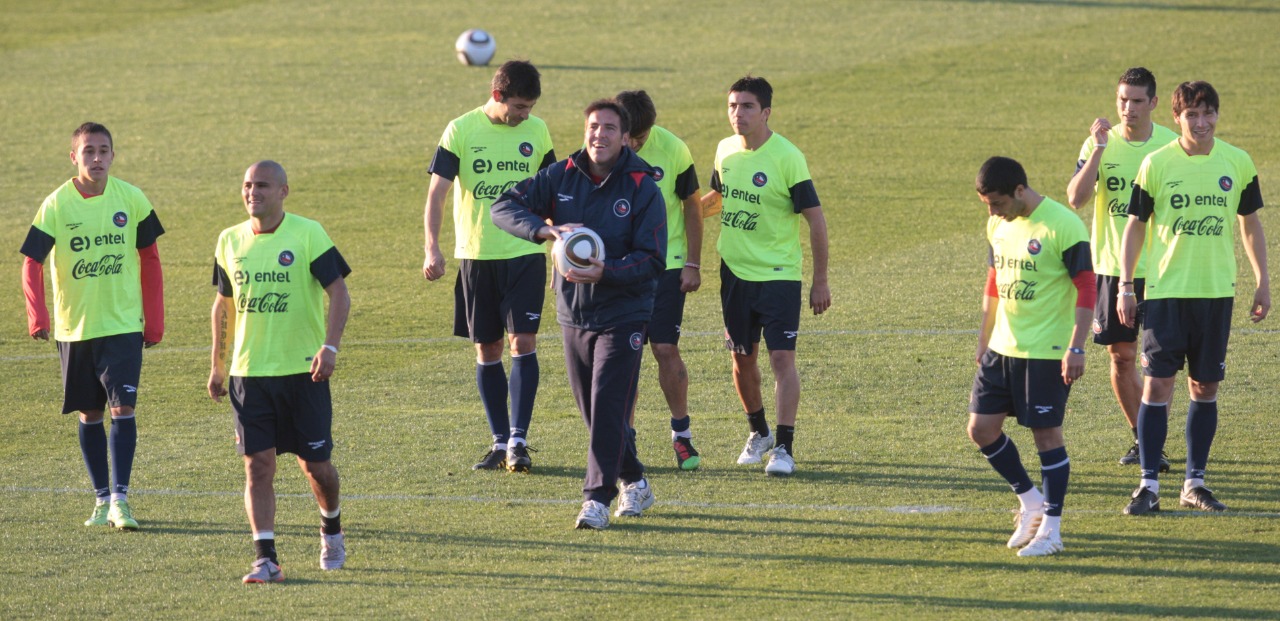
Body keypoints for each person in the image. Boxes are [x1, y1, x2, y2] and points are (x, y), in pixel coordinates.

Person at [491, 99, 665, 530]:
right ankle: (635, 480)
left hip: (624, 314)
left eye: (609, 128)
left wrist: (608, 272)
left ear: (625, 137)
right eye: (593, 127)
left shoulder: (643, 186)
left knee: (607, 406)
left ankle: (596, 500)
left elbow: (652, 259)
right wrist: (546, 229)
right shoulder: (562, 175)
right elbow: (502, 207)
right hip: (573, 314)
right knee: (593, 413)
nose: (598, 136)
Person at [1117, 80, 1269, 516]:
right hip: (1166, 293)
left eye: (1208, 114)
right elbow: (1136, 226)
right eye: (1192, 115)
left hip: (1217, 292)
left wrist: (1262, 280)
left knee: (1205, 387)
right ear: (1177, 118)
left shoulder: (1237, 162)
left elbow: (1250, 225)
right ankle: (1147, 485)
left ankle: (1194, 484)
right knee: (1159, 386)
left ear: (1217, 115)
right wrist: (1127, 286)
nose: (1201, 123)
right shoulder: (1156, 163)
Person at [208, 161, 352, 583]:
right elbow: (224, 304)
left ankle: (331, 528)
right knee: (257, 466)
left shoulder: (308, 234)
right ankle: (265, 557)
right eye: (248, 185)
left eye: (263, 186)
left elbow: (339, 293)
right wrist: (217, 364)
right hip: (249, 375)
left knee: (317, 467)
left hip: (304, 374)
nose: (253, 192)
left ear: (283, 191)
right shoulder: (229, 240)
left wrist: (329, 347)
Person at [20, 122, 165, 531]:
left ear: (113, 155)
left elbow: (150, 258)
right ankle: (101, 500)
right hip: (75, 328)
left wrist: (153, 319)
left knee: (123, 407)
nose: (97, 158)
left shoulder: (132, 199)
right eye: (88, 151)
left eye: (104, 150)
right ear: (74, 157)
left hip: (121, 325)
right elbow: (31, 261)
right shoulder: (56, 205)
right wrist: (39, 315)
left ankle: (121, 499)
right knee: (89, 413)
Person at [422, 60, 556, 473]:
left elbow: (552, 194)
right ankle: (499, 441)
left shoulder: (537, 131)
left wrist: (556, 248)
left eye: (530, 107)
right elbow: (437, 195)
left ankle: (519, 440)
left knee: (524, 343)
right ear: (497, 96)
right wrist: (432, 248)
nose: (525, 115)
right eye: (518, 106)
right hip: (477, 257)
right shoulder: (460, 130)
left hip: (525, 255)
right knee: (488, 348)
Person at [700, 76, 831, 476]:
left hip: (778, 275)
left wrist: (820, 280)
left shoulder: (787, 157)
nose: (737, 114)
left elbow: (816, 221)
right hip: (734, 273)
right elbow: (718, 199)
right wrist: (679, 209)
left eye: (747, 107)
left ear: (766, 112)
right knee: (742, 359)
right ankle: (759, 434)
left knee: (780, 358)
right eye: (732, 106)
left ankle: (785, 447)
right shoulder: (725, 151)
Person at [969, 156, 1093, 557]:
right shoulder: (997, 224)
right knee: (981, 429)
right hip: (1002, 347)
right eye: (987, 204)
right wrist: (984, 336)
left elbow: (1088, 289)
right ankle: (1030, 501)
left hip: (1046, 351)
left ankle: (1052, 530)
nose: (993, 212)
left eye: (998, 203)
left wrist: (1077, 345)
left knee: (1046, 435)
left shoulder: (1063, 225)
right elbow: (994, 281)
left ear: (1020, 191)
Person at [1066, 67, 1178, 470]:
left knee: (1159, 363)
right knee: (1121, 358)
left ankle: (1153, 441)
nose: (1127, 108)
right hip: (1111, 268)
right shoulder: (1101, 143)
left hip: (1163, 270)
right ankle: (1145, 439)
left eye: (1135, 101)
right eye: (1121, 100)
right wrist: (1096, 150)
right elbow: (1076, 198)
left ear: (1153, 103)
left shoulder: (1171, 145)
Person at [615, 90, 703, 471]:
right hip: (620, 268)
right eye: (628, 136)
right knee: (625, 354)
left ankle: (681, 435)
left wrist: (694, 263)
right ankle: (625, 439)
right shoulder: (601, 147)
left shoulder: (674, 150)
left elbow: (692, 206)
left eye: (639, 136)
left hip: (666, 265)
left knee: (664, 348)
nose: (632, 144)